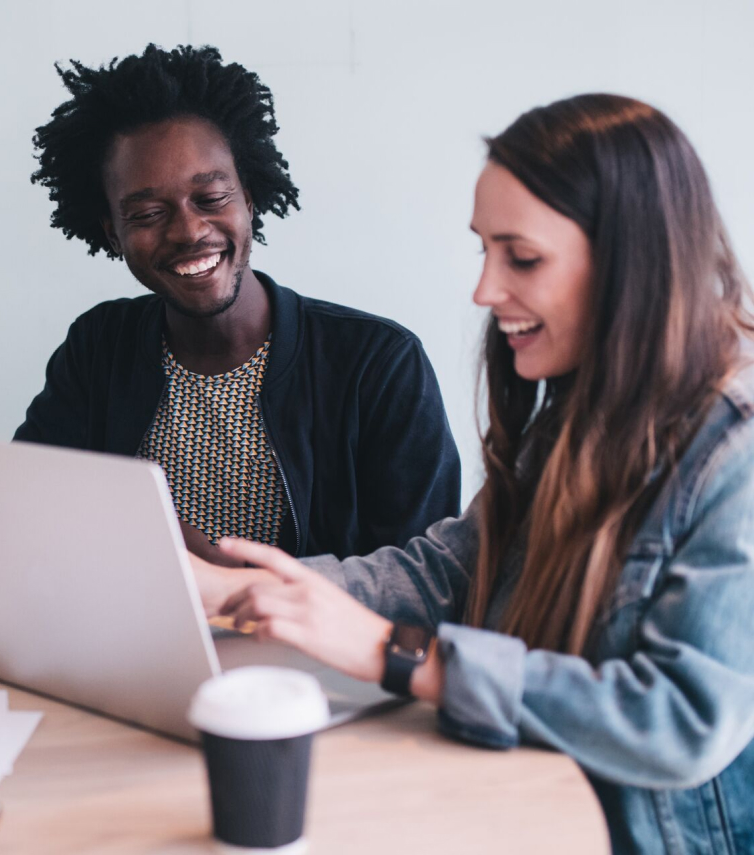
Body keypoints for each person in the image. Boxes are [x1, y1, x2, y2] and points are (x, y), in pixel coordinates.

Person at [194, 94, 754, 853]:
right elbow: (450, 568)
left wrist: (404, 654)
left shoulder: (737, 448)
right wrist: (247, 589)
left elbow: (681, 719)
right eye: (483, 250)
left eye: (521, 257)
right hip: (518, 798)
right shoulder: (586, 401)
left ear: (632, 260)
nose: (485, 291)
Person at [15, 44, 460, 564]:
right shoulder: (99, 346)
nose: (189, 231)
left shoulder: (379, 362)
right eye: (148, 213)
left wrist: (233, 580)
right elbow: (28, 507)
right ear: (113, 234)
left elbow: (424, 579)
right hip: (128, 640)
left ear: (249, 198)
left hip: (306, 646)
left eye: (211, 199)